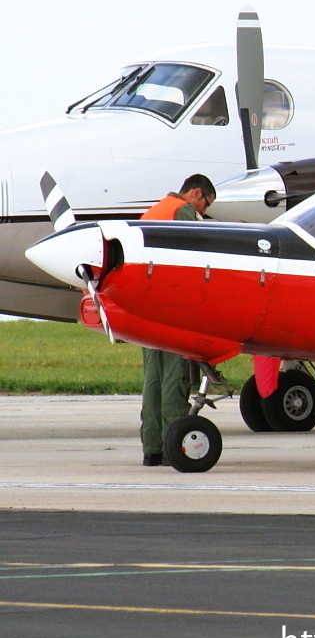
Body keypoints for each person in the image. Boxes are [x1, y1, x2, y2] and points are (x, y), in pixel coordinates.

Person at [139, 174, 216, 466]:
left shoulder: (153, 211)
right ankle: (175, 443)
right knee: (175, 377)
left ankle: (152, 448)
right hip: (171, 308)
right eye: (205, 204)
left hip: (146, 308)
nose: (204, 212)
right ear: (195, 192)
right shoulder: (182, 212)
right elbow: (202, 257)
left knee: (153, 380)